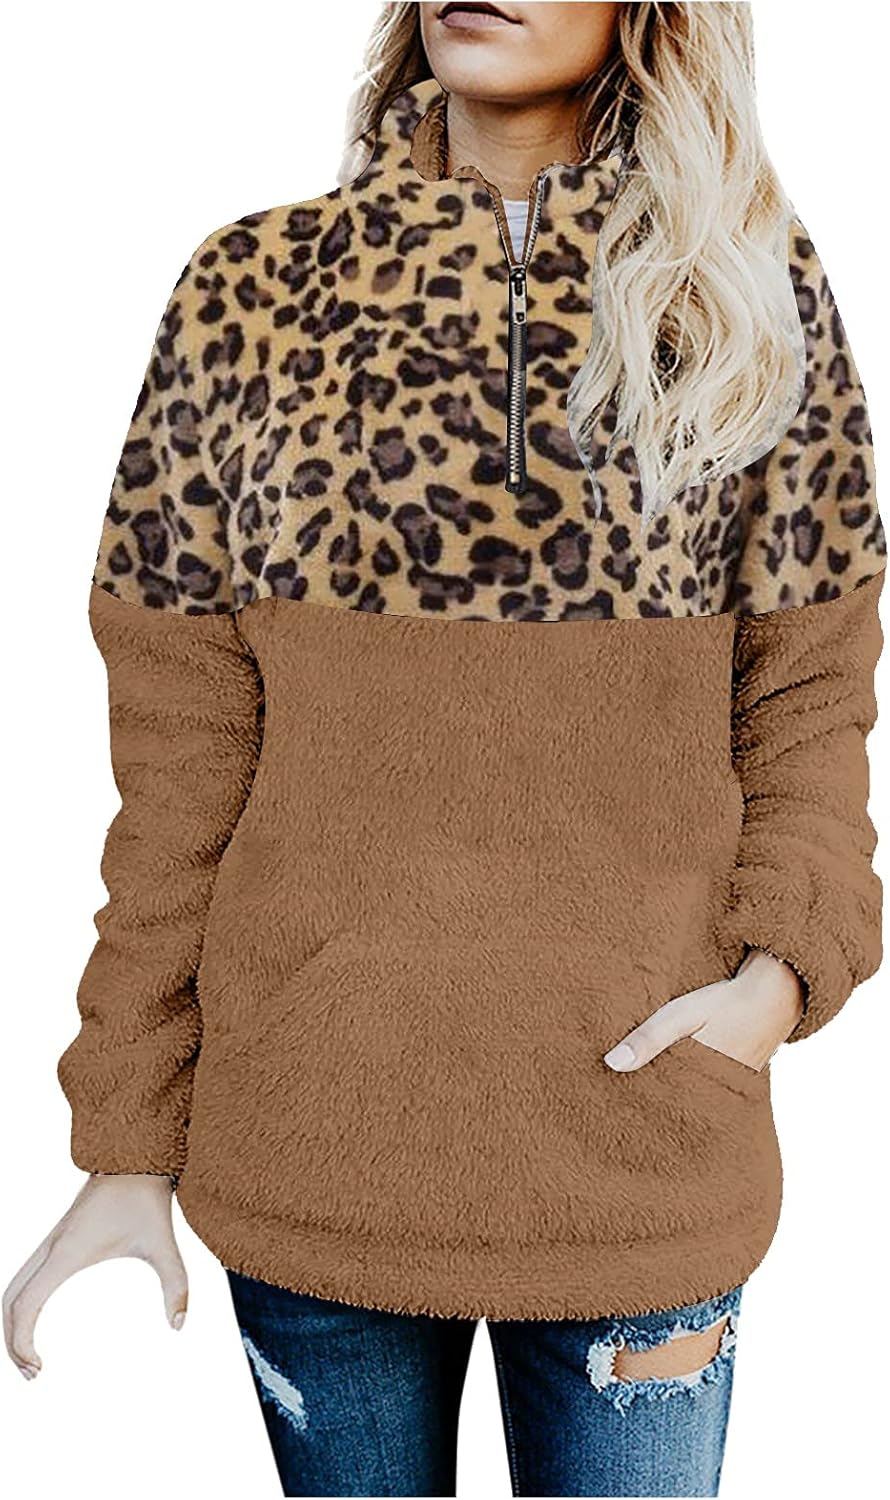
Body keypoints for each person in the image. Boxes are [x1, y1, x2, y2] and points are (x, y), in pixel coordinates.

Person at [4, 3, 885, 1496]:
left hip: (642, 1152)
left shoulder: (749, 295)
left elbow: (807, 705)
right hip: (312, 1142)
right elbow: (178, 766)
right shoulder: (250, 289)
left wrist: (780, 979)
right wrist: (124, 1135)